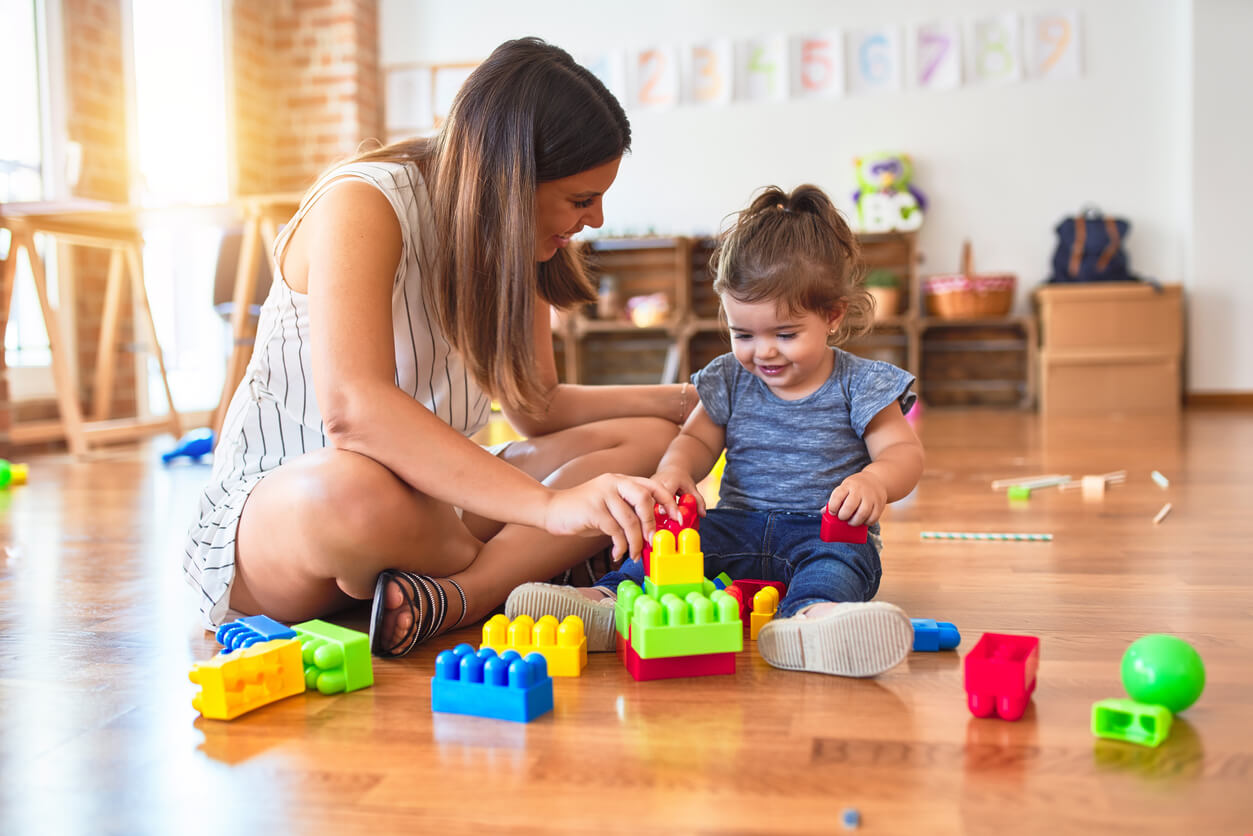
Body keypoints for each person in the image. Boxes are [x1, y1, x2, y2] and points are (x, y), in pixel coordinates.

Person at [182, 37, 693, 658]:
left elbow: (538, 405)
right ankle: (513, 576)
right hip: (293, 519)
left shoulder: (518, 239)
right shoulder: (365, 202)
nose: (598, 220)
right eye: (582, 199)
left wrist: (688, 400)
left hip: (435, 511)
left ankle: (459, 596)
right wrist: (550, 510)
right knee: (351, 488)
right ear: (512, 179)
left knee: (645, 441)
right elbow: (354, 411)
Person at [506, 184, 925, 677]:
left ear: (832, 316)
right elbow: (696, 438)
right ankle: (607, 604)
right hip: (738, 525)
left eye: (785, 335)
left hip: (823, 530)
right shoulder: (729, 376)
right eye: (742, 333)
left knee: (839, 566)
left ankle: (814, 622)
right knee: (675, 545)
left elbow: (903, 452)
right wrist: (675, 472)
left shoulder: (863, 383)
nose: (762, 351)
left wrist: (876, 482)